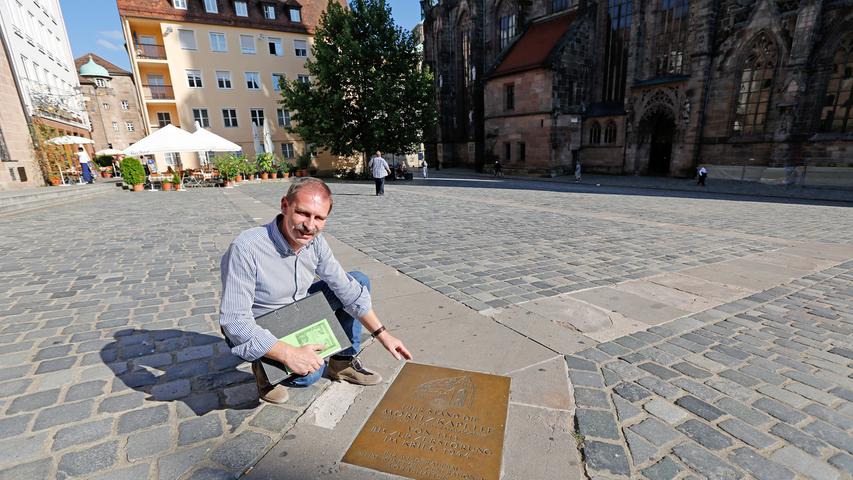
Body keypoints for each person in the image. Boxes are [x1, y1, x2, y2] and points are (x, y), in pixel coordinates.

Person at [219, 177, 413, 404]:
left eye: (319, 217)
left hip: (297, 310)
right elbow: (234, 322)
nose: (310, 226)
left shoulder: (315, 242)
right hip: (262, 322)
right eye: (303, 213)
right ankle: (264, 369)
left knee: (358, 280)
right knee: (309, 375)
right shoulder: (246, 247)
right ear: (285, 205)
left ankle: (342, 362)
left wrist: (382, 334)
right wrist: (289, 354)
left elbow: (347, 289)